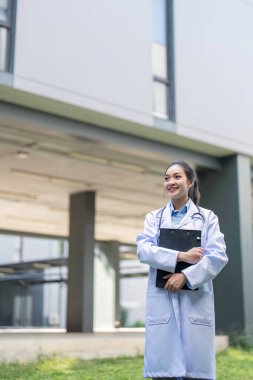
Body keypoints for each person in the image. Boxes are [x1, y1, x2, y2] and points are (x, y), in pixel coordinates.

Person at [136, 161, 228, 380]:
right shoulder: (154, 218)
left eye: (176, 177)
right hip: (163, 297)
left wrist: (185, 276)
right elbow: (143, 250)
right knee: (164, 369)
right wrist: (182, 256)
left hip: (194, 300)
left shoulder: (207, 218)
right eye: (166, 178)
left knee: (194, 371)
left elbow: (217, 256)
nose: (170, 182)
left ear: (190, 181)